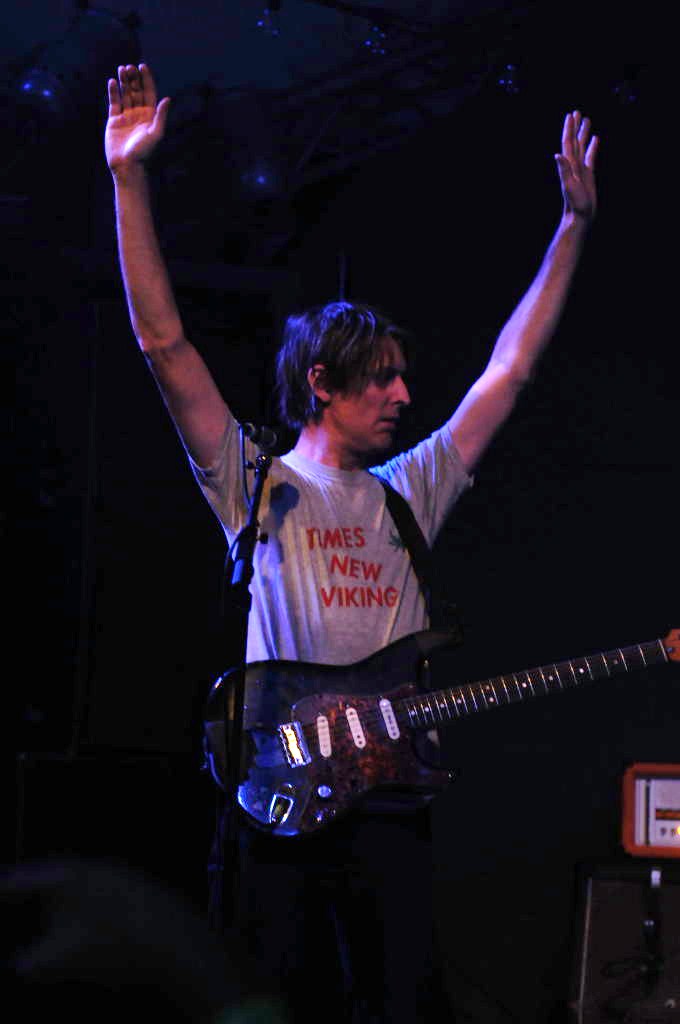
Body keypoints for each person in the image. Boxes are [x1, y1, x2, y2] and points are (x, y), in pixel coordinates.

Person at [104, 63, 598, 1023]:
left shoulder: (410, 489)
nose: (405, 397)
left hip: (391, 805)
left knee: (399, 1001)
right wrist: (128, 178)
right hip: (281, 799)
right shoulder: (255, 481)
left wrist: (572, 227)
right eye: (383, 380)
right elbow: (164, 345)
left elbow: (510, 369)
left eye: (404, 379)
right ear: (322, 384)